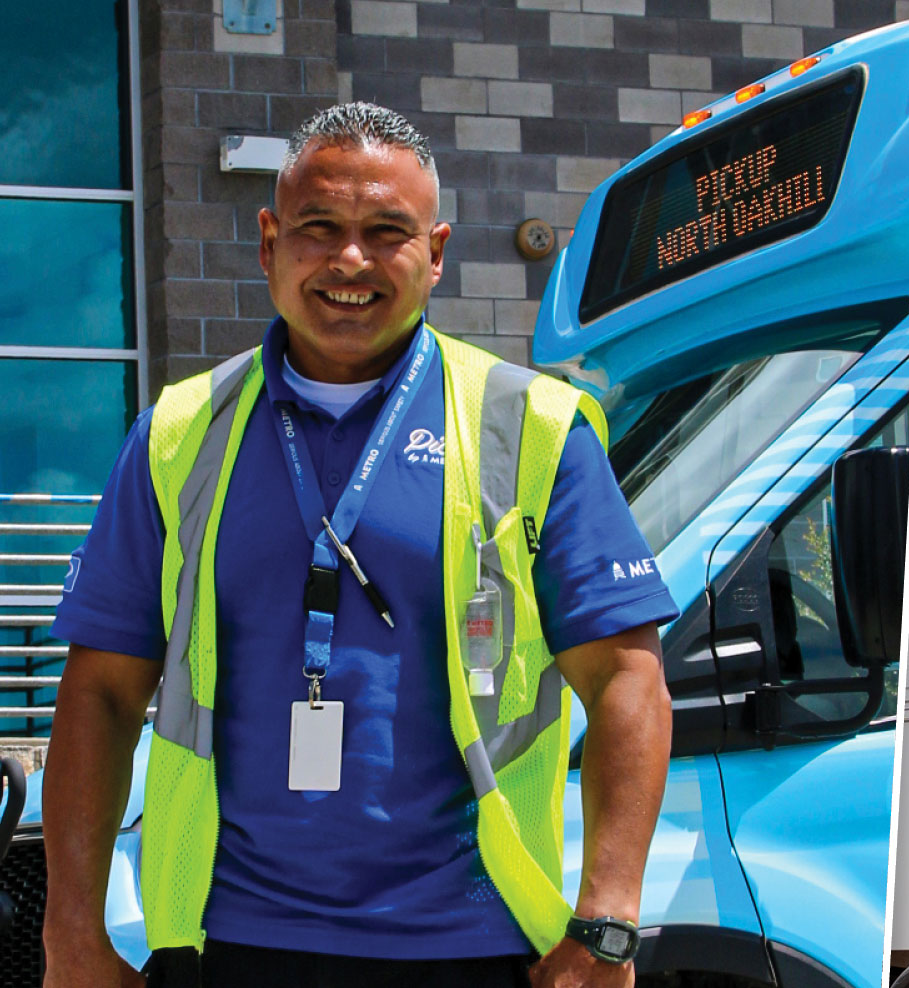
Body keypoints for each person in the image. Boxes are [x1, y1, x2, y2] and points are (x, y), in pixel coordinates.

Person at [41, 103, 677, 988]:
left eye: (387, 232)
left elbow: (626, 678)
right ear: (268, 242)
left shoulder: (529, 427)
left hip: (475, 948)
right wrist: (71, 933)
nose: (349, 261)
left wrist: (607, 923)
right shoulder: (178, 437)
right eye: (319, 229)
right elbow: (102, 692)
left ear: (438, 252)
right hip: (226, 944)